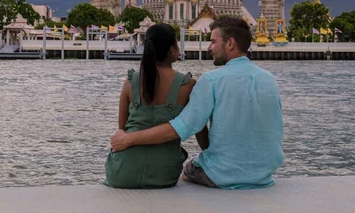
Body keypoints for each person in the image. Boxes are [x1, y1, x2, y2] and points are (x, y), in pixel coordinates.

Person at [111, 17, 283, 189]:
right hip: (263, 175)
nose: (209, 48)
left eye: (213, 42)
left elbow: (181, 127)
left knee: (188, 170)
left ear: (230, 44)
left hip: (222, 175)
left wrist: (129, 139)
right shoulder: (269, 80)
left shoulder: (211, 80)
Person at [104, 23, 209, 189]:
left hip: (122, 172)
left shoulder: (131, 82)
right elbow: (199, 131)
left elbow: (122, 128)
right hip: (164, 174)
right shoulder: (188, 85)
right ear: (172, 50)